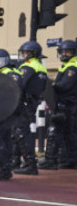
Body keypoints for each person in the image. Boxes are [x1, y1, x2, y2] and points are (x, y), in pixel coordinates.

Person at [0, 49, 23, 180]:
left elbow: (12, 94)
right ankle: (5, 168)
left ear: (6, 61)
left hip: (8, 113)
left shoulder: (12, 74)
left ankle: (3, 168)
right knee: (4, 140)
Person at [40, 40, 77, 169]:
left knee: (55, 133)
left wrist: (54, 86)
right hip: (69, 105)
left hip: (68, 105)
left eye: (67, 51)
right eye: (62, 51)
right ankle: (70, 160)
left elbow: (65, 86)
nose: (64, 54)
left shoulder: (72, 67)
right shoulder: (67, 65)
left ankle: (51, 160)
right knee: (69, 134)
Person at [13, 40, 48, 176]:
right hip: (32, 103)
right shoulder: (41, 67)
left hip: (23, 104)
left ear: (33, 54)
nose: (24, 55)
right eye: (23, 52)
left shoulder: (28, 67)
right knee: (19, 132)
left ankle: (30, 164)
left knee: (22, 133)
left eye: (27, 53)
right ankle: (17, 161)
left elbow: (19, 84)